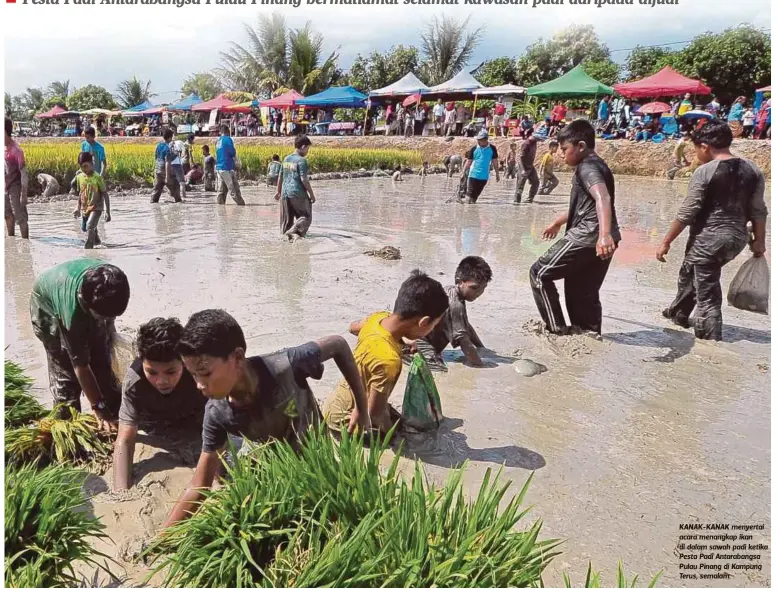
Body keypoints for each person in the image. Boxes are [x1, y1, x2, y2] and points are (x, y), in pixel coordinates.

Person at [161, 309, 371, 527]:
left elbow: (338, 344)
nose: (199, 384)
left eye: (205, 373)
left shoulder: (286, 366)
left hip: (315, 451)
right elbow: (198, 485)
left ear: (238, 357)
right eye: (193, 374)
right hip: (271, 463)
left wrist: (361, 407)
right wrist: (160, 541)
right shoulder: (217, 413)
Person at [656, 120, 767, 341]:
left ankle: (710, 341)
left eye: (696, 149)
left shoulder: (706, 171)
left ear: (705, 146)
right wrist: (759, 242)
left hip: (709, 240)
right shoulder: (753, 170)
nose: (696, 154)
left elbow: (688, 211)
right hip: (736, 239)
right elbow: (758, 211)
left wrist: (666, 241)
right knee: (689, 272)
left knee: (707, 293)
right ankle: (678, 313)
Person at [323, 270, 448, 433]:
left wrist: (403, 339)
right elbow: (374, 414)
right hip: (345, 420)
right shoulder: (389, 362)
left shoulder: (378, 318)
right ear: (423, 322)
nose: (432, 330)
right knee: (405, 433)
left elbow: (353, 328)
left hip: (337, 400)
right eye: (434, 325)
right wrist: (395, 437)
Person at [529, 119, 620, 336]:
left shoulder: (587, 168)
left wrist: (603, 234)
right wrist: (559, 221)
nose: (561, 154)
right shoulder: (599, 165)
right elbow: (587, 205)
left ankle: (557, 329)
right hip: (603, 236)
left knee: (539, 273)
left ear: (580, 146)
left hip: (588, 235)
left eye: (564, 149)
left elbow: (602, 198)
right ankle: (588, 333)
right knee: (583, 291)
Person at [30, 259, 129, 423]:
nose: (105, 320)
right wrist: (98, 407)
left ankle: (115, 409)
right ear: (84, 301)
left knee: (102, 359)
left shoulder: (114, 282)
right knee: (65, 372)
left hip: (86, 298)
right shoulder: (72, 316)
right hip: (47, 306)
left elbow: (106, 319)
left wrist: (108, 329)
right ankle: (67, 420)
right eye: (102, 317)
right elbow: (80, 366)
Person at [113, 317, 206, 490]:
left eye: (171, 371)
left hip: (193, 415)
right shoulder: (134, 380)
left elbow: (218, 422)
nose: (162, 381)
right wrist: (121, 491)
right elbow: (125, 438)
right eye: (152, 372)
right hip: (155, 420)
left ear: (184, 362)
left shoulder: (199, 372)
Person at [406, 257, 492, 372]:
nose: (479, 292)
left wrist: (481, 348)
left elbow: (465, 326)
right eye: (474, 288)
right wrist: (480, 366)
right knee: (440, 371)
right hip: (417, 347)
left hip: (415, 342)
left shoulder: (449, 291)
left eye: (483, 288)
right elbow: (464, 341)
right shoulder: (455, 304)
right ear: (459, 281)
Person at [275, 134, 315, 241]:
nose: (307, 151)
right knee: (306, 217)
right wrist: (311, 195)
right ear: (303, 147)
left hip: (285, 193)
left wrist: (278, 191)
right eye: (307, 148)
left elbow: (280, 176)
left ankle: (285, 239)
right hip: (297, 193)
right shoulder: (301, 160)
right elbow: (304, 180)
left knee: (286, 222)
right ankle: (292, 232)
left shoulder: (286, 159)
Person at [71, 152, 111, 249]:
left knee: (89, 226)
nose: (84, 169)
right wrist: (78, 207)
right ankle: (97, 243)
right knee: (88, 228)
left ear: (92, 164)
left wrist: (108, 212)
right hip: (86, 207)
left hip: (97, 207)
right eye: (81, 167)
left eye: (86, 166)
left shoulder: (97, 178)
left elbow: (105, 194)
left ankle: (88, 250)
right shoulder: (80, 177)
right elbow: (81, 193)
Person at [5, 117, 29, 239]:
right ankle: (11, 241)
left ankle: (26, 245)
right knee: (7, 215)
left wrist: (23, 194)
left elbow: (24, 173)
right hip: (4, 187)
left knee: (20, 218)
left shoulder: (16, 150)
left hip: (16, 187)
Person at [460, 129, 499, 204]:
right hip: (473, 175)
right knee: (469, 196)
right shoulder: (474, 149)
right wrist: (463, 173)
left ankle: (472, 214)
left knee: (474, 198)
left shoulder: (492, 149)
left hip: (484, 177)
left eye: (480, 140)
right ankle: (466, 212)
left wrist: (497, 174)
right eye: (478, 139)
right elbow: (469, 162)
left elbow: (495, 161)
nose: (478, 141)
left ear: (485, 139)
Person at [216, 125, 245, 206]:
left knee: (222, 190)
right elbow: (232, 152)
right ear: (227, 131)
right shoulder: (228, 139)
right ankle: (241, 205)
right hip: (227, 167)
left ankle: (220, 208)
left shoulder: (218, 141)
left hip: (219, 168)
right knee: (234, 189)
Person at [150, 129, 181, 203]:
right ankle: (178, 201)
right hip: (165, 170)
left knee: (157, 189)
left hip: (158, 170)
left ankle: (153, 202)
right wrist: (167, 177)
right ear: (170, 137)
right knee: (175, 186)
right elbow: (168, 162)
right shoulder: (168, 148)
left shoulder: (158, 145)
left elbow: (156, 157)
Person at [515, 135, 539, 204]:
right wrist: (522, 169)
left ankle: (530, 199)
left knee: (536, 182)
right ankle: (517, 202)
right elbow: (520, 158)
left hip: (530, 166)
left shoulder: (534, 142)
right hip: (523, 166)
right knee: (520, 186)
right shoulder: (526, 144)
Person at [170, 137, 187, 201]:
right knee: (182, 183)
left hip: (169, 165)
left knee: (172, 182)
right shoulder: (180, 142)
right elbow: (182, 153)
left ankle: (172, 197)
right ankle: (184, 197)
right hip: (177, 164)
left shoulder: (169, 144)